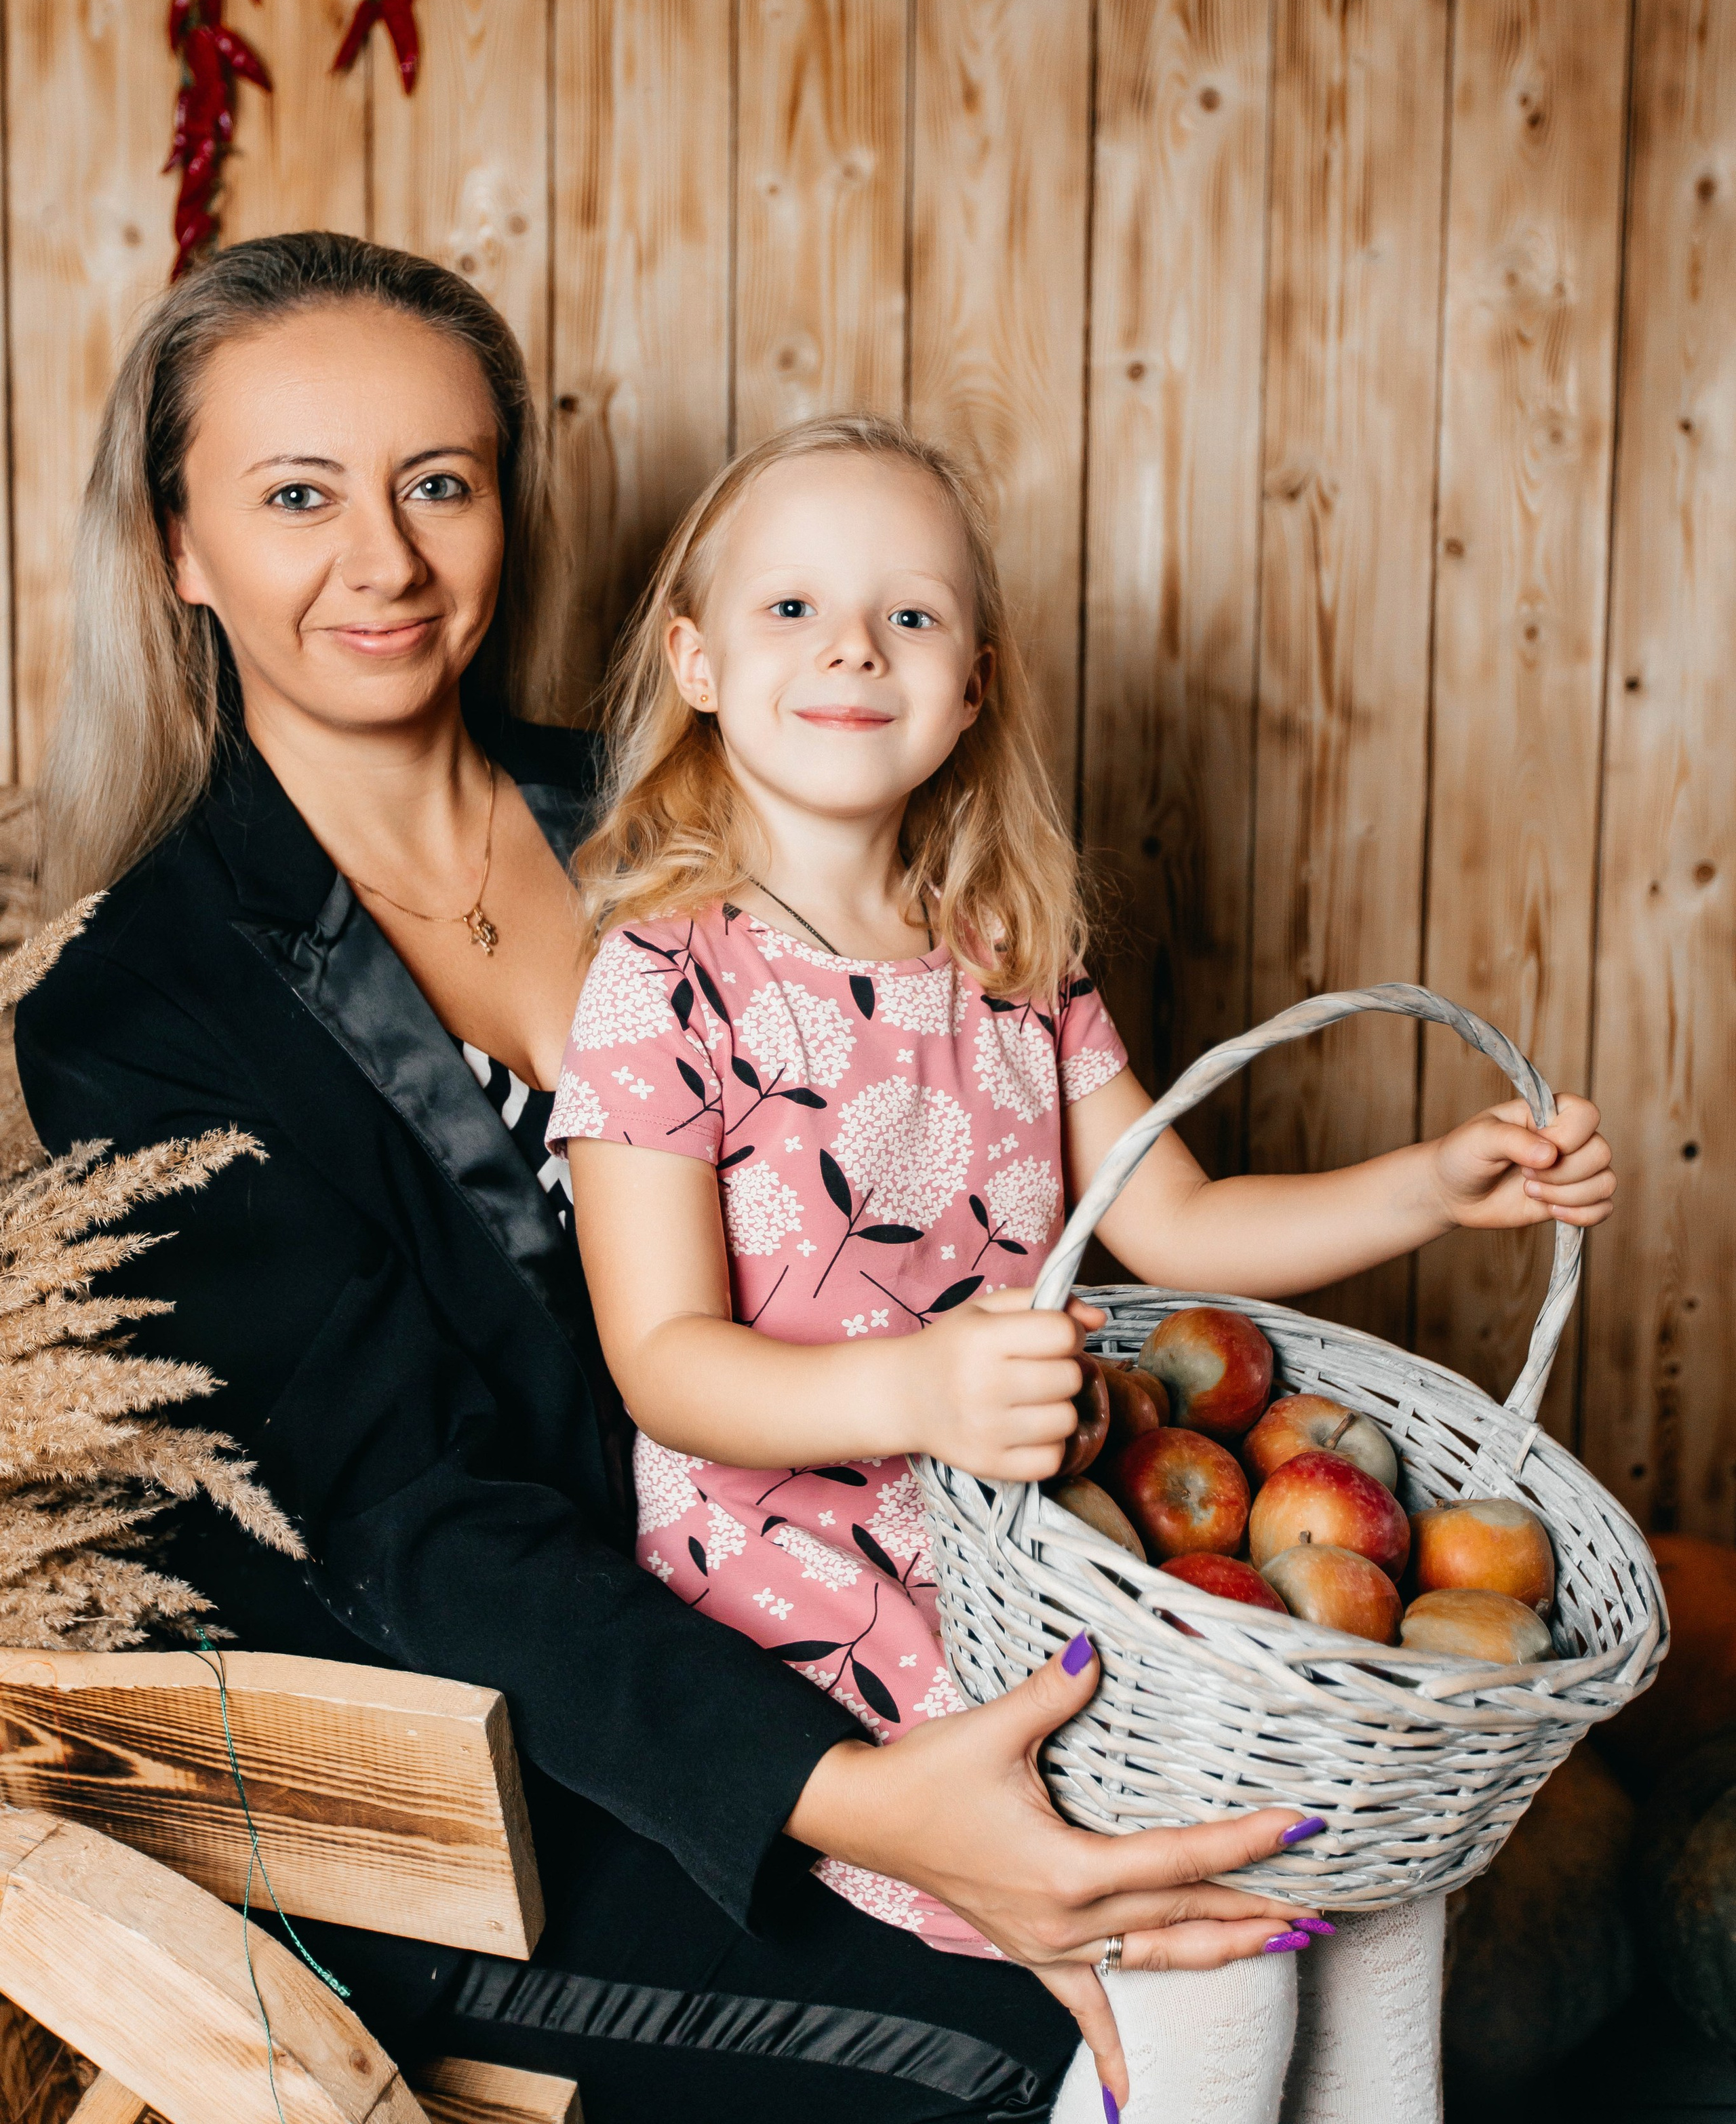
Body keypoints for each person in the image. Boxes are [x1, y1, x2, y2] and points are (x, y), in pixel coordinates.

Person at [16, 233, 1345, 2124]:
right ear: (177, 546)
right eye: (297, 494)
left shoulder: (696, 806)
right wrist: (872, 1805)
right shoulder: (135, 1008)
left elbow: (1002, 1172)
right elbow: (412, 1532)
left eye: (441, 485)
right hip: (527, 1773)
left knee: (1270, 1913)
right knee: (1037, 2051)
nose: (383, 561)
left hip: (887, 1610)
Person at [553, 416, 1618, 2105]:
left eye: (910, 616)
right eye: (790, 610)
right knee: (1202, 1943)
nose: (850, 646)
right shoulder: (660, 984)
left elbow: (1181, 1226)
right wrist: (914, 1385)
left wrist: (1427, 1183)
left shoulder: (1008, 962)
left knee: (1374, 1871)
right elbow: (662, 1358)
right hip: (815, 1575)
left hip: (1049, 1537)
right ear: (689, 658)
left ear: (972, 684)